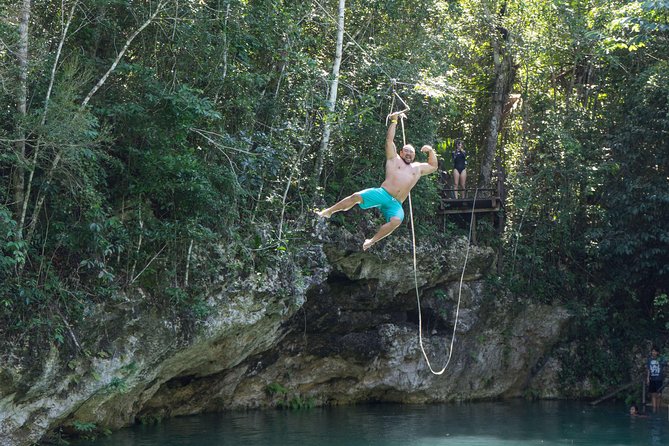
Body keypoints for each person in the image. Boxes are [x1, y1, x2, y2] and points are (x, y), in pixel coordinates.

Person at [316, 112, 438, 251]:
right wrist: (394, 121)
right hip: (383, 193)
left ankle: (371, 241)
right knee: (356, 196)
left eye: (411, 152)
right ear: (401, 152)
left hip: (396, 203)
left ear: (415, 155)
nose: (409, 154)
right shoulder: (394, 159)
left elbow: (433, 166)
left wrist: (430, 151)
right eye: (406, 151)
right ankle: (329, 211)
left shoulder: (417, 168)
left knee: (396, 221)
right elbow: (389, 141)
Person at [646, 345, 667, 411]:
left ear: (657, 352)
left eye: (655, 351)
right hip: (652, 379)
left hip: (659, 379)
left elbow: (666, 363)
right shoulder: (649, 360)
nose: (654, 352)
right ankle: (654, 409)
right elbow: (648, 370)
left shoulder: (660, 359)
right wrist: (647, 378)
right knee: (653, 394)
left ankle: (658, 408)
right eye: (653, 351)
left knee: (659, 395)